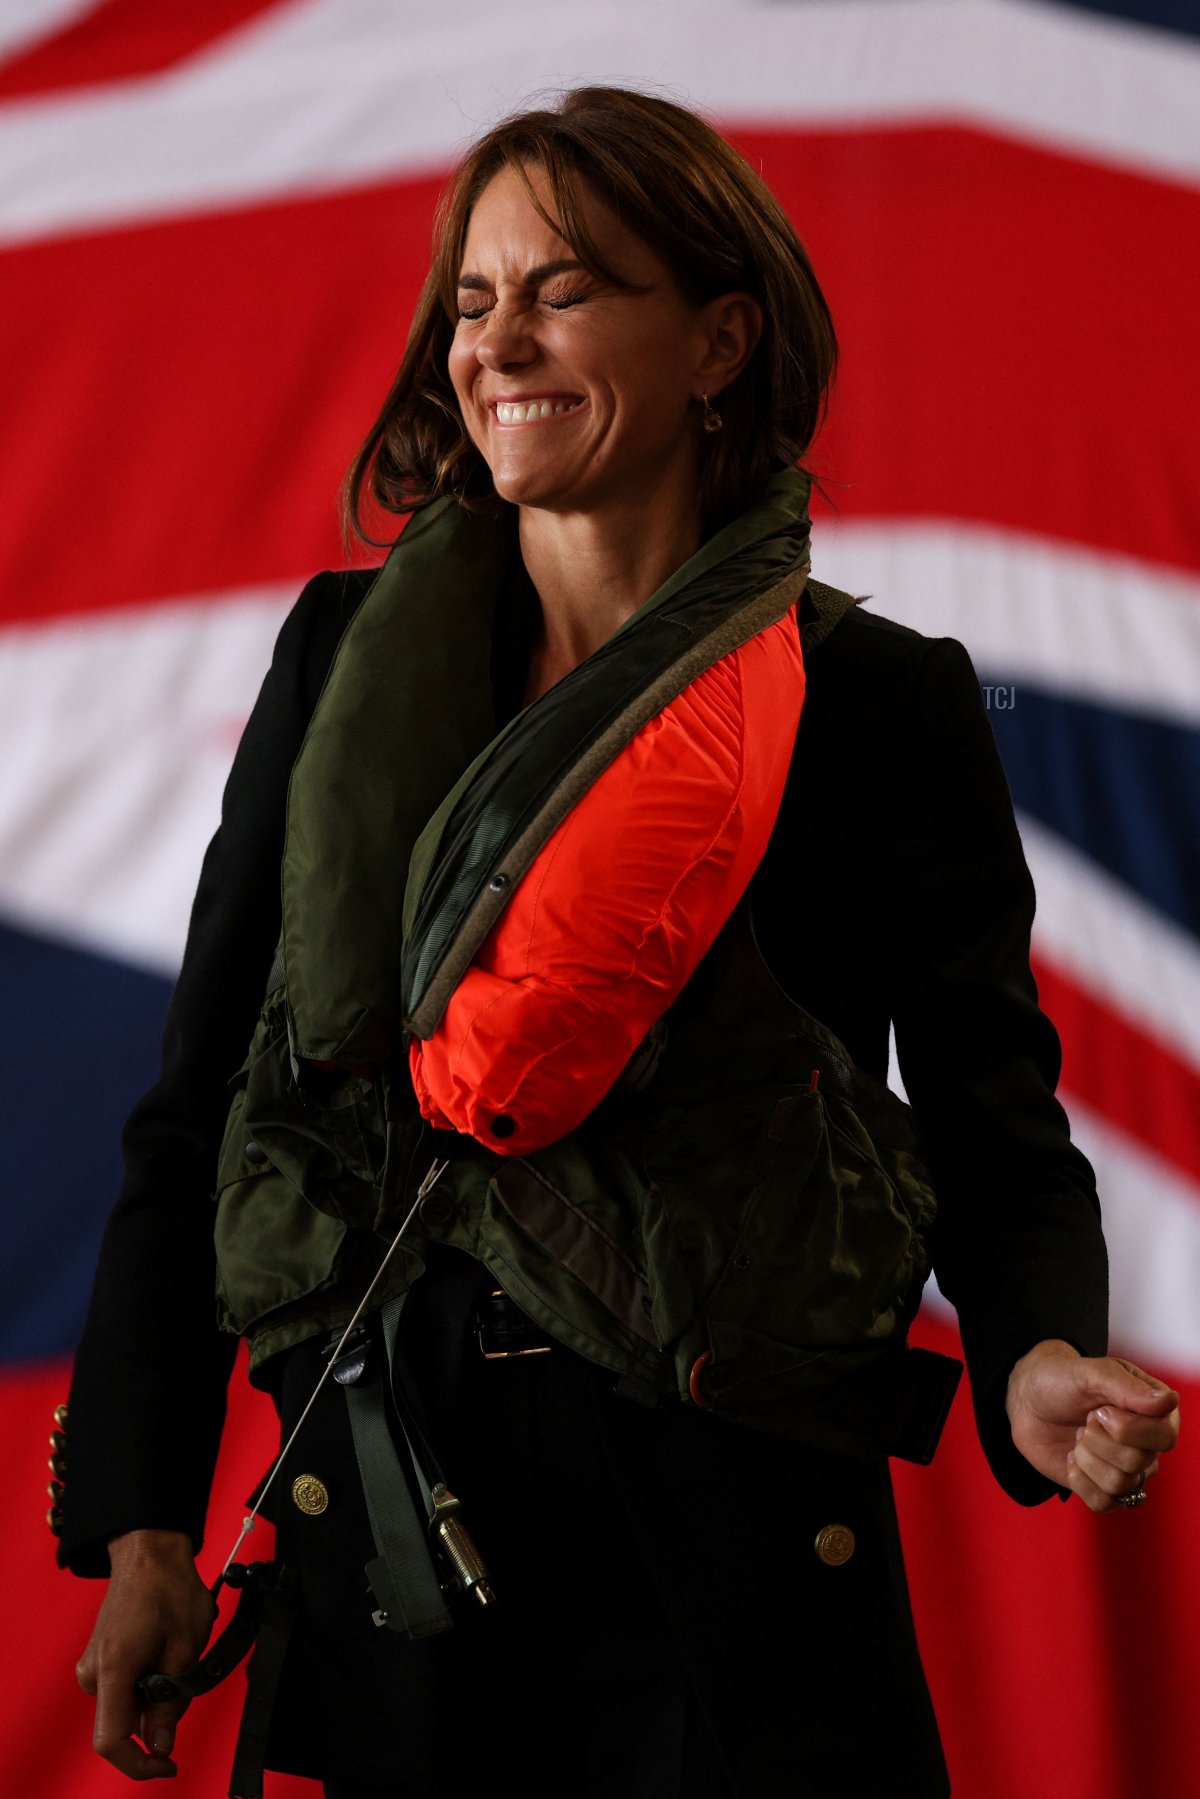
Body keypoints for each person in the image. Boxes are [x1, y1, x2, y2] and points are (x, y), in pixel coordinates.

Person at [59, 87, 1180, 1799]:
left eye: (563, 289)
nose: (498, 340)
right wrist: (143, 1519)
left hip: (729, 1541)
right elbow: (202, 1100)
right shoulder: (343, 662)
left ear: (721, 341)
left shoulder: (879, 701)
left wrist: (1036, 1354)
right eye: (472, 299)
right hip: (394, 1534)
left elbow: (990, 1113)